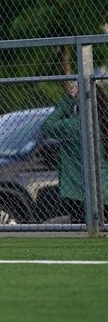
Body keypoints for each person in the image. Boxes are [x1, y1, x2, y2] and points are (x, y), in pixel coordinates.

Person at [41, 83, 108, 223]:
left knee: (84, 228)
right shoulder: (102, 123)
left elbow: (48, 126)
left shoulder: (78, 126)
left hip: (81, 193)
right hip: (103, 190)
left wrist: (70, 99)